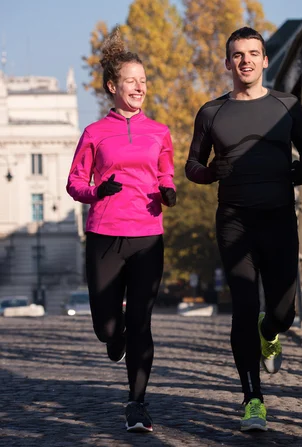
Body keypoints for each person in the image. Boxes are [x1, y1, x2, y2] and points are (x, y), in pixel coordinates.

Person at [185, 26, 302, 432]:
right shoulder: (211, 112)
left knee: (283, 311)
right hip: (234, 220)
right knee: (243, 306)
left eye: (253, 53)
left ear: (264, 60)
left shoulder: (287, 105)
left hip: (278, 218)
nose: (245, 61)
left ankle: (270, 332)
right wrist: (209, 173)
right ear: (228, 63)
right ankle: (253, 400)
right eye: (237, 55)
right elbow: (191, 165)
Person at [66, 29, 176, 433]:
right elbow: (74, 182)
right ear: (113, 86)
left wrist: (168, 190)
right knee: (107, 328)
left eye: (144, 80)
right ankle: (115, 338)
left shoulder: (159, 131)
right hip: (104, 235)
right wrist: (98, 191)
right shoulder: (95, 133)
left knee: (142, 322)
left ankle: (137, 404)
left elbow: (165, 170)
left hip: (147, 233)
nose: (140, 86)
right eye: (131, 80)